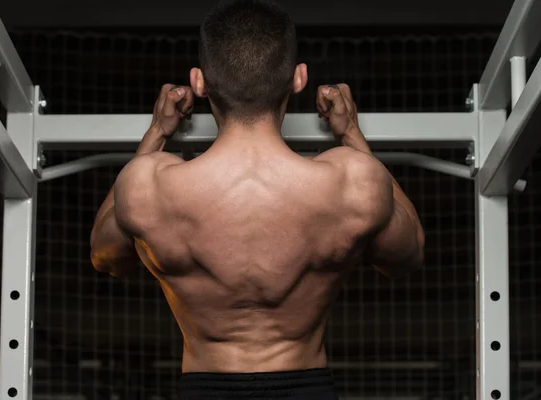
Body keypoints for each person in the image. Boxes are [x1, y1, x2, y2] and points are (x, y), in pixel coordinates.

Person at [90, 0, 425, 398]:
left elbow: (105, 256)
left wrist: (156, 133)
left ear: (198, 82)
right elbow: (408, 256)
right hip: (306, 386)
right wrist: (350, 133)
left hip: (204, 387)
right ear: (298, 78)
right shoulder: (353, 180)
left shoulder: (148, 183)